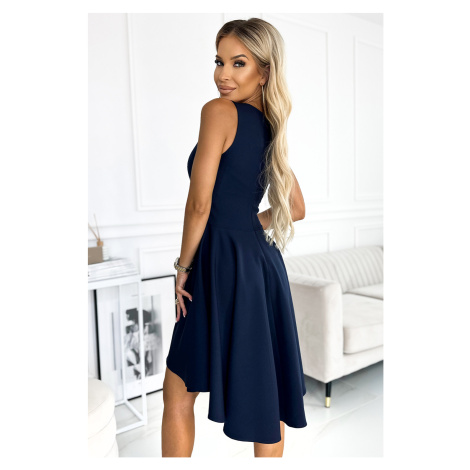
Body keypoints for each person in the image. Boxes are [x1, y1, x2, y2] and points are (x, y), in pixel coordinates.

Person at [162, 18, 307, 458]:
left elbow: (199, 205)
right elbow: (296, 208)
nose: (223, 75)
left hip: (217, 264)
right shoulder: (271, 127)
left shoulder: (218, 112)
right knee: (267, 390)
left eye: (238, 63)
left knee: (177, 391)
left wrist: (182, 268)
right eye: (219, 61)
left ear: (264, 71)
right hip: (259, 268)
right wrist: (246, 226)